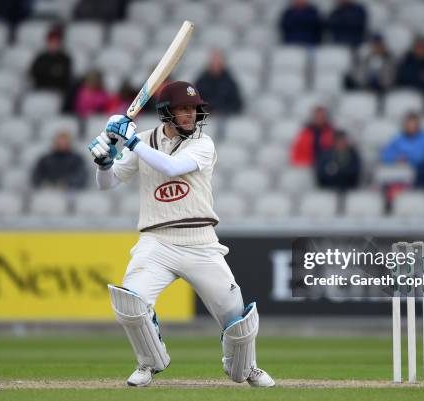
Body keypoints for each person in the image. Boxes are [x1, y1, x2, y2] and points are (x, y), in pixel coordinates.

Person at [88, 81, 275, 388]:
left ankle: (248, 368)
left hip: (200, 241)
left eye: (193, 109)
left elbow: (172, 168)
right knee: (130, 302)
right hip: (156, 241)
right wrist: (105, 161)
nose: (190, 115)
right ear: (167, 113)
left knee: (237, 318)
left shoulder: (203, 144)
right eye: (183, 109)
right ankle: (148, 364)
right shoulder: (146, 140)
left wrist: (131, 142)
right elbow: (106, 184)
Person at [195, 49, 243, 115]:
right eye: (213, 60)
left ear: (223, 62)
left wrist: (222, 111)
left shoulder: (230, 82)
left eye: (218, 60)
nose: (215, 63)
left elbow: (237, 104)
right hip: (205, 116)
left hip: (224, 117)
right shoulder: (201, 80)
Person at [29, 25, 72, 95]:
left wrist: (48, 72)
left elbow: (65, 77)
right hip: (41, 89)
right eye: (51, 41)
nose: (53, 44)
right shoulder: (41, 57)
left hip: (58, 91)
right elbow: (34, 73)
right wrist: (52, 72)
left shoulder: (65, 58)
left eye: (56, 42)